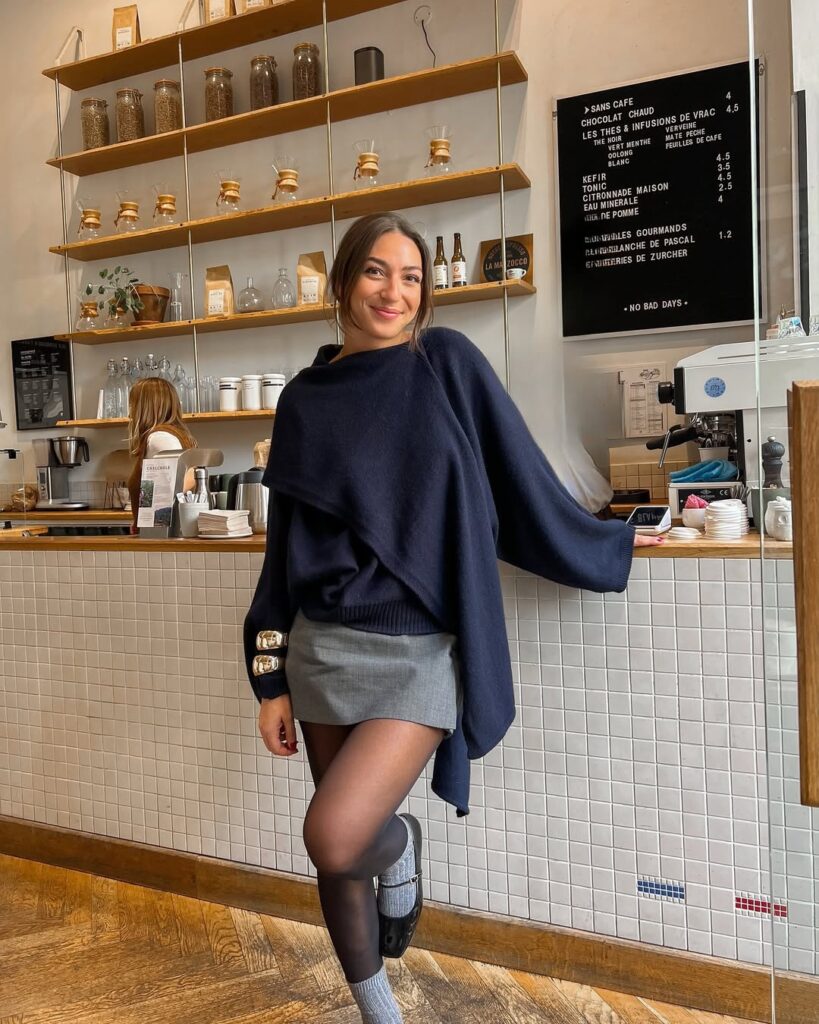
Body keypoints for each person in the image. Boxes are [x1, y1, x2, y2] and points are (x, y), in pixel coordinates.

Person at [244, 211, 664, 1024]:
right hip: (321, 649)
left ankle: (399, 843)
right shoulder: (303, 398)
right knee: (339, 865)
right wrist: (267, 672)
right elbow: (284, 548)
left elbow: (520, 473)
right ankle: (380, 1014)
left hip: (417, 651)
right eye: (374, 272)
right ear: (340, 284)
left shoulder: (446, 363)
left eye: (410, 277)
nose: (393, 291)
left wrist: (613, 537)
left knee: (337, 836)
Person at [126, 376, 196, 531]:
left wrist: (144, 521)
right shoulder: (170, 435)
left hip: (163, 532)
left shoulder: (159, 439)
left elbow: (171, 488)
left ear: (144, 407)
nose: (130, 411)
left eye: (133, 404)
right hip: (163, 530)